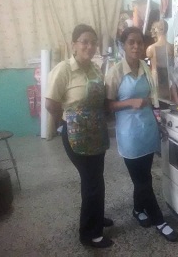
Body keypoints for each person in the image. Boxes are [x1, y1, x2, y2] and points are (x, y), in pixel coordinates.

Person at [105, 26, 178, 242]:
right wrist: (130, 102)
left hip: (147, 130)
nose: (136, 46)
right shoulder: (116, 72)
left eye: (139, 42)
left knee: (143, 177)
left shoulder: (146, 69)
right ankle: (159, 220)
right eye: (131, 42)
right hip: (129, 135)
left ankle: (138, 210)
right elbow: (107, 106)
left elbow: (153, 99)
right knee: (142, 181)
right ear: (123, 45)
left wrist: (159, 124)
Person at [45, 24, 113, 248]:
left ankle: (97, 217)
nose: (90, 46)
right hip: (76, 135)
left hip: (97, 132)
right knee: (91, 181)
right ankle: (89, 234)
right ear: (74, 44)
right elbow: (50, 103)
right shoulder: (63, 69)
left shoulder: (95, 69)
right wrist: (64, 122)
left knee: (96, 178)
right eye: (84, 41)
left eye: (93, 42)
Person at [146, 20, 176, 102]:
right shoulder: (171, 47)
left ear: (159, 29)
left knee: (158, 103)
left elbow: (148, 67)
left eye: (154, 28)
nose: (152, 31)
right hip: (168, 79)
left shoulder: (150, 48)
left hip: (157, 78)